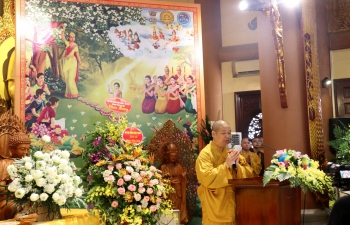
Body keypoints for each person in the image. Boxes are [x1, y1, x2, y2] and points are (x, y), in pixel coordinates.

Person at [196, 120, 254, 225]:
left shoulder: (231, 153)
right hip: (215, 205)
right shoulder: (205, 154)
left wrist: (237, 167)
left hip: (232, 202)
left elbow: (250, 173)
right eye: (223, 133)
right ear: (213, 134)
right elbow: (206, 178)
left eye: (229, 132)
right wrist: (226, 165)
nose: (227, 136)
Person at [0, 132, 38, 222]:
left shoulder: (28, 165)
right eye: (22, 149)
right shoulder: (5, 163)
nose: (26, 152)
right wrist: (15, 192)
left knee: (38, 204)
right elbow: (1, 188)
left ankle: (25, 215)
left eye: (28, 149)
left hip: (27, 199)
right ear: (12, 149)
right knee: (14, 206)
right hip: (9, 200)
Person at [160, 142, 188, 224]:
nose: (173, 158)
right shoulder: (163, 167)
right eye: (172, 156)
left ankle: (178, 222)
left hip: (178, 191)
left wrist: (183, 177)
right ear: (167, 156)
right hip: (169, 193)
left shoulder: (179, 166)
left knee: (178, 208)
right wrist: (170, 182)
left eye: (175, 156)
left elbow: (183, 179)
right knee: (169, 208)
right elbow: (161, 181)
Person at [60, 24, 85, 98]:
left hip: (73, 62)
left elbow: (77, 55)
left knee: (71, 78)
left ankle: (74, 93)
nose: (72, 38)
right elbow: (62, 37)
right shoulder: (67, 43)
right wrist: (63, 28)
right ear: (69, 37)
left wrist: (80, 63)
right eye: (71, 37)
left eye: (73, 37)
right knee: (67, 78)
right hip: (66, 62)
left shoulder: (75, 45)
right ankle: (68, 93)